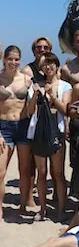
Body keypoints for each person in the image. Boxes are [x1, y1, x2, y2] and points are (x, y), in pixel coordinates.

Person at [27, 53, 71, 221]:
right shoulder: (36, 85)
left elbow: (65, 109)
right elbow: (29, 111)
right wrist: (36, 95)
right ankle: (43, 209)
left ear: (57, 66)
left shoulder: (65, 86)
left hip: (57, 132)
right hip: (39, 132)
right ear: (41, 67)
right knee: (42, 172)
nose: (49, 67)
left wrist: (52, 95)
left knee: (58, 173)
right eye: (46, 64)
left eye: (52, 64)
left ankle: (61, 209)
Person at [0, 46, 33, 219]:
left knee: (24, 169)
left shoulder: (27, 79)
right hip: (3, 126)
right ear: (4, 59)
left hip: (23, 125)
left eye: (16, 59)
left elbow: (34, 103)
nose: (13, 62)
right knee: (1, 171)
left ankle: (22, 205)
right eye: (10, 58)